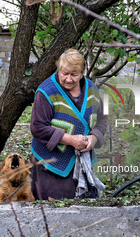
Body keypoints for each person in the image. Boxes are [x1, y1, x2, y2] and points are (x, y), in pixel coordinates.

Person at [30, 48, 108, 200]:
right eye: (64, 73)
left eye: (74, 74)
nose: (68, 79)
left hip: (82, 164)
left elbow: (102, 119)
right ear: (58, 69)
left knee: (82, 210)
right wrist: (70, 140)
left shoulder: (92, 89)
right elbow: (37, 127)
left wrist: (94, 138)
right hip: (50, 166)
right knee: (53, 210)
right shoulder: (46, 91)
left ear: (82, 72)